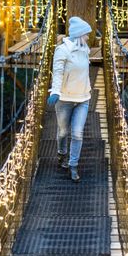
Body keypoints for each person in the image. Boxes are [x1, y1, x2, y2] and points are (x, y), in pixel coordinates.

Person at [47, 16, 92, 183]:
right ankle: (61, 153)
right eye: (86, 34)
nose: (88, 37)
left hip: (83, 98)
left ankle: (73, 166)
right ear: (79, 34)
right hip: (64, 99)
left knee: (77, 134)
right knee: (63, 131)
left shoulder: (85, 49)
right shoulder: (62, 50)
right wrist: (56, 91)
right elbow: (58, 72)